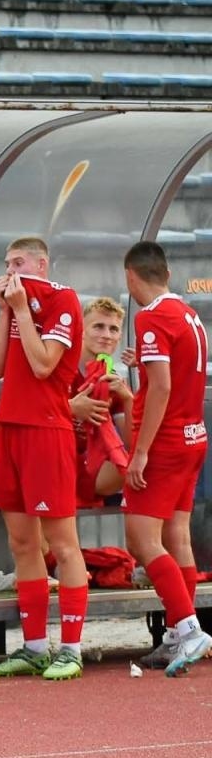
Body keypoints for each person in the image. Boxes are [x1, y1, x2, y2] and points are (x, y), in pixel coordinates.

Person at [0, 236, 89, 682]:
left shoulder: (63, 300)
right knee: (22, 543)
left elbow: (44, 365)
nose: (11, 271)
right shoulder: (15, 305)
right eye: (7, 263)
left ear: (41, 264)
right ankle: (35, 647)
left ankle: (72, 649)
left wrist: (23, 311)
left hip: (47, 430)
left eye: (19, 262)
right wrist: (5, 311)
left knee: (62, 543)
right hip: (10, 429)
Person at [118, 240, 212, 676]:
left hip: (165, 443)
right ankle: (178, 632)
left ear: (130, 276)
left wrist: (140, 451)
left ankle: (189, 629)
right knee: (177, 536)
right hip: (194, 435)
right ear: (168, 274)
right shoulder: (189, 315)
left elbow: (161, 387)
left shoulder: (151, 316)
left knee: (141, 540)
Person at [67, 297, 134, 506]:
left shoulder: (112, 379)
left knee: (141, 458)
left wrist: (128, 399)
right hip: (52, 460)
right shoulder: (58, 367)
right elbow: (29, 412)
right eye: (98, 326)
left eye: (113, 329)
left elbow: (131, 443)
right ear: (81, 330)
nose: (106, 335)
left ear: (120, 336)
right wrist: (70, 408)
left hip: (89, 467)